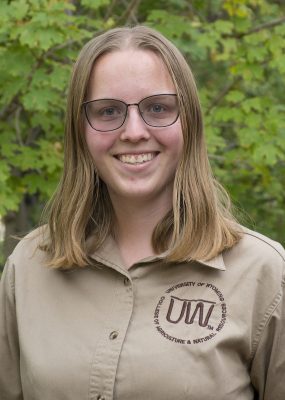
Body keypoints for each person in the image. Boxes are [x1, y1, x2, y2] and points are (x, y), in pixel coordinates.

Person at [0, 25, 284, 400]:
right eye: (108, 111)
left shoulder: (264, 274)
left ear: (190, 123)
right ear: (79, 131)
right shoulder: (29, 267)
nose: (134, 131)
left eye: (157, 108)